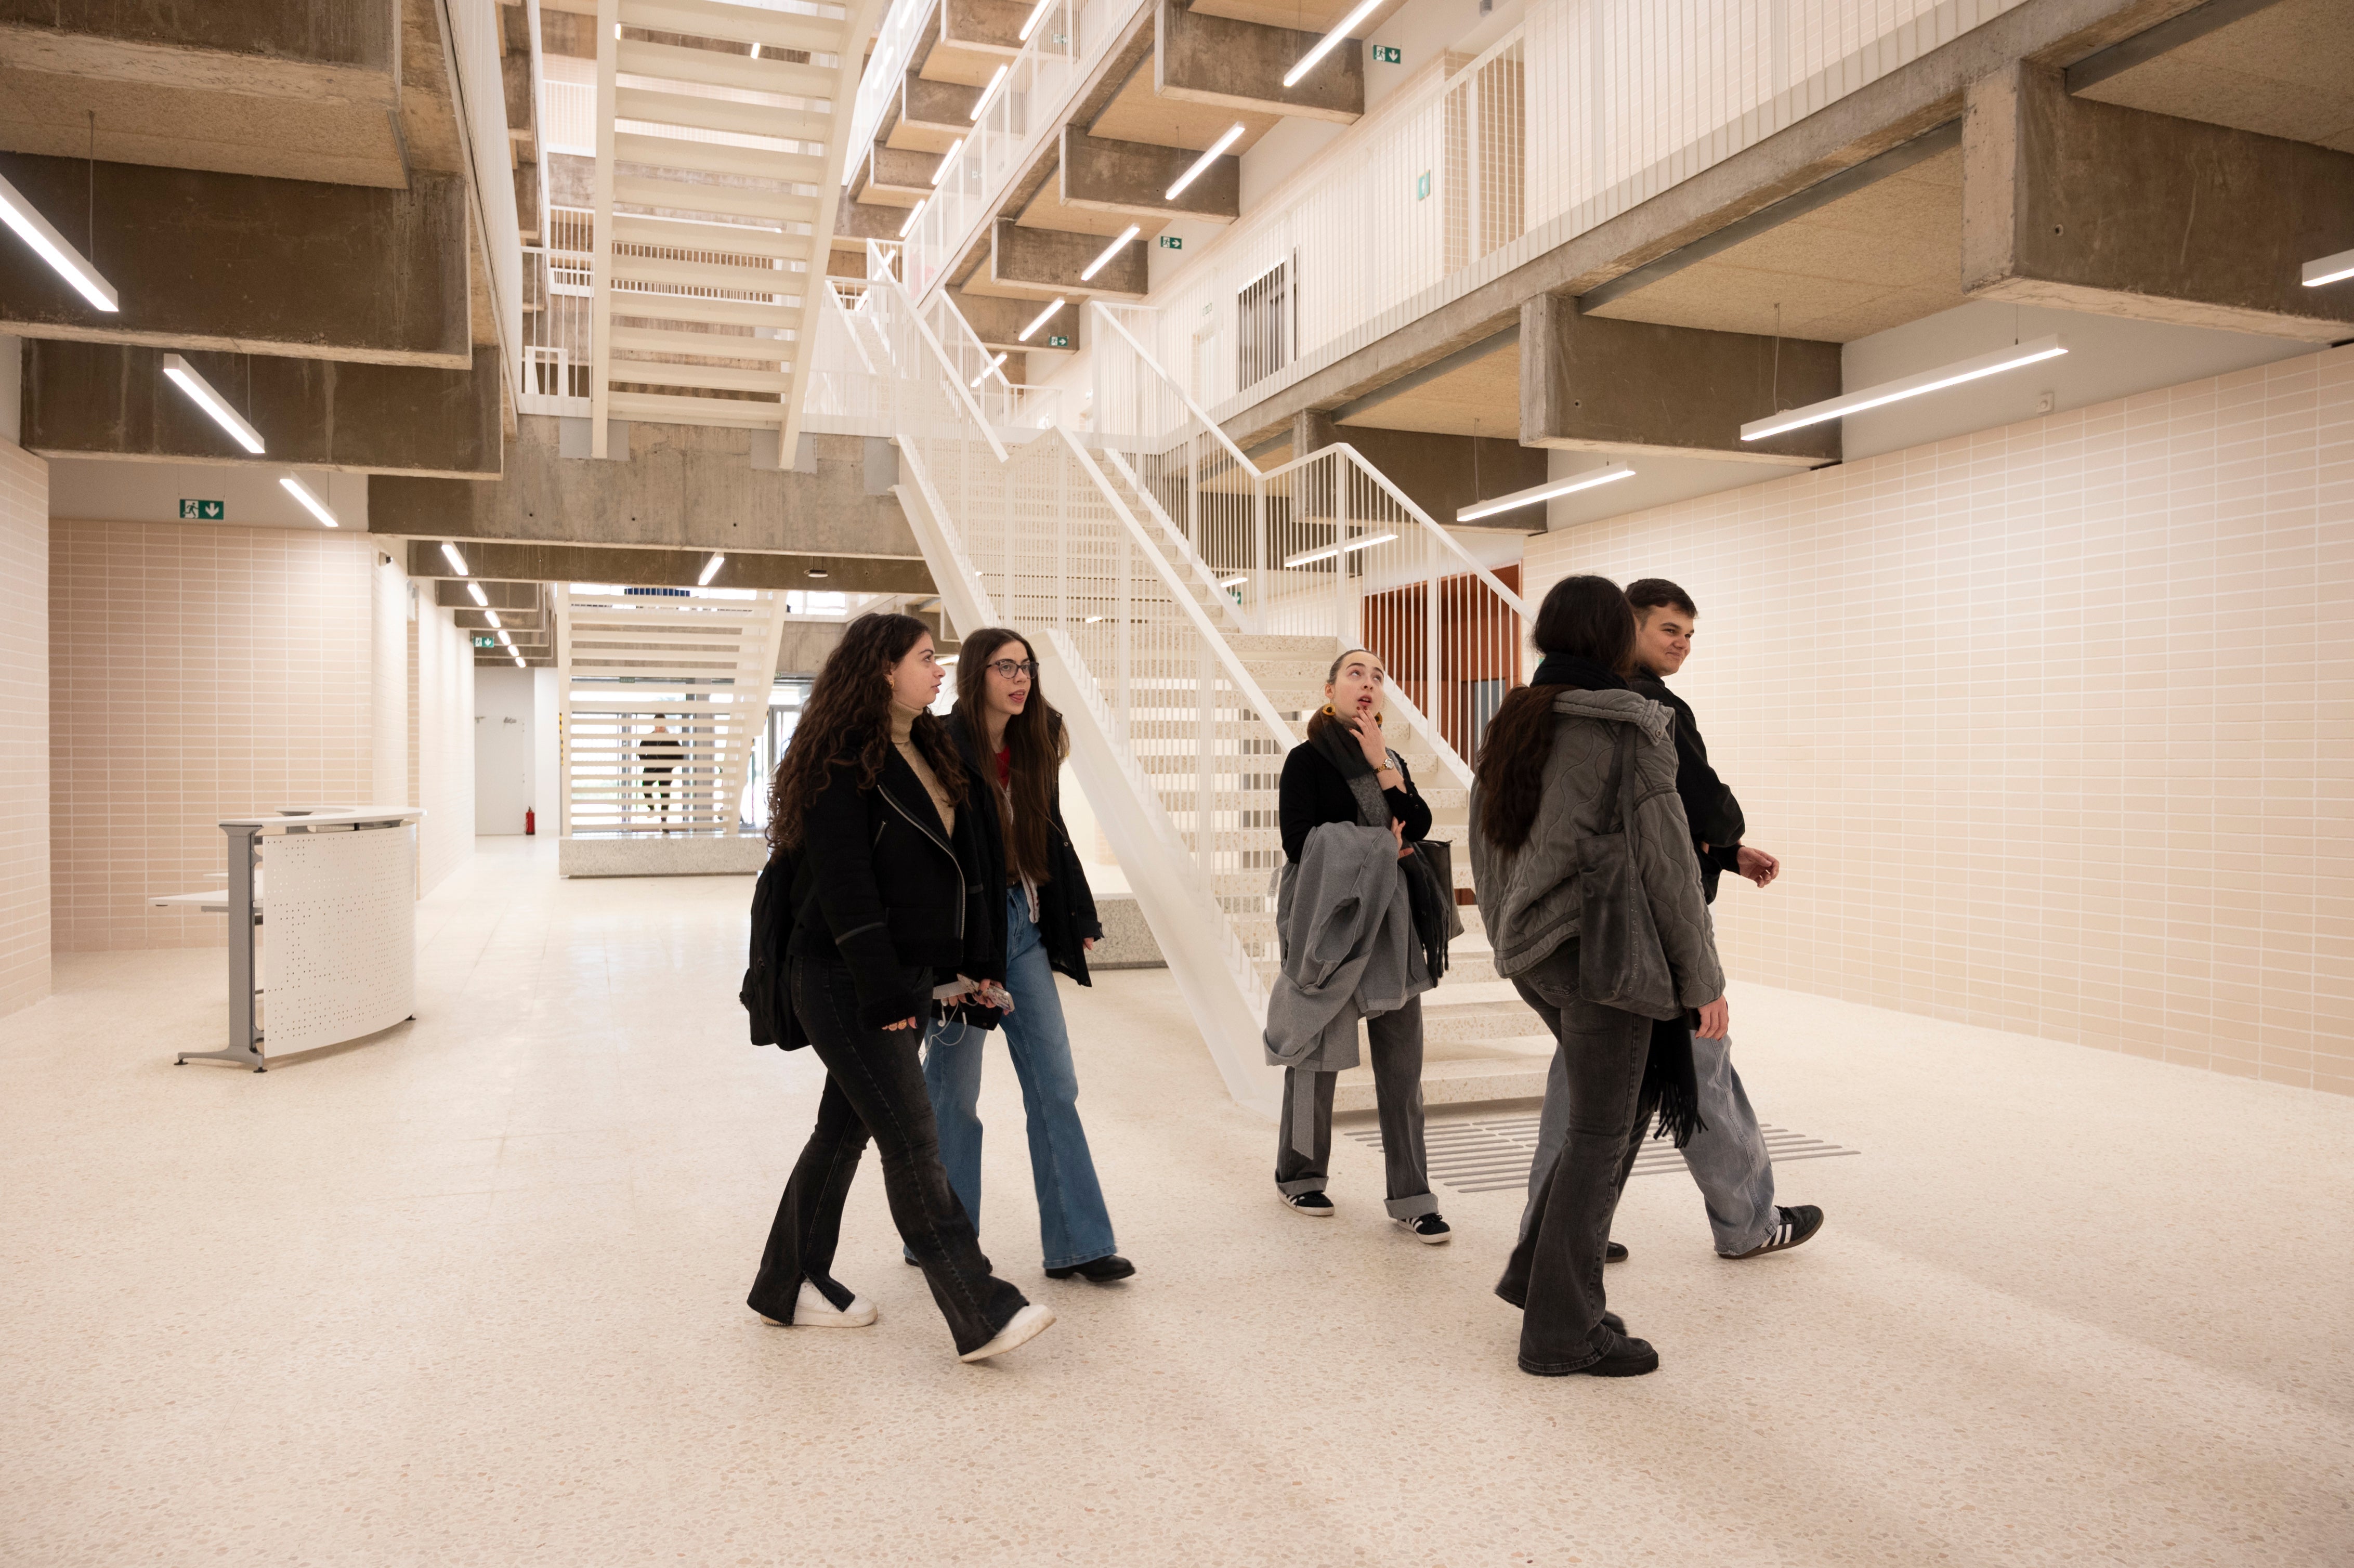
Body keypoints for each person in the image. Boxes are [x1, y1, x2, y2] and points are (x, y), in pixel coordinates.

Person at [744, 612, 1054, 1364]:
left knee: (844, 1130)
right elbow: (849, 892)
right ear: (885, 669)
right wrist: (887, 994)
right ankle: (979, 1307)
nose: (939, 670)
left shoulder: (923, 748)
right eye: (926, 659)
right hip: (845, 979)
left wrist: (963, 971)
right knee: (914, 1140)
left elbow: (947, 875)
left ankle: (787, 1282)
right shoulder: (840, 760)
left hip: (901, 979)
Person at [1469, 576, 1728, 1378]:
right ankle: (1562, 1332)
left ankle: (1536, 1277)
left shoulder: (1516, 719)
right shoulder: (1631, 726)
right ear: (1616, 639)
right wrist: (1703, 979)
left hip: (1538, 953)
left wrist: (1512, 938)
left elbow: (1489, 844)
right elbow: (1669, 867)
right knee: (1598, 1136)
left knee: (1609, 1110)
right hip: (1604, 960)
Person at [1612, 577, 1821, 1260]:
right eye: (1670, 630)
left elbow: (1651, 820)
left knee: (1588, 1078)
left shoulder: (1581, 705)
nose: (1683, 645)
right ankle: (1749, 1224)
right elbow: (1706, 807)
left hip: (1608, 918)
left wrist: (1725, 855)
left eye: (1690, 635)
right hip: (1665, 924)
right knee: (1706, 1068)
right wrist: (1725, 833)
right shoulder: (1657, 708)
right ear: (1630, 626)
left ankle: (1556, 1231)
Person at [916, 629, 1134, 1284]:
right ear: (975, 674)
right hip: (962, 938)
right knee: (953, 1095)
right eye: (1005, 666)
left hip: (1025, 925)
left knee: (1055, 1086)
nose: (1020, 678)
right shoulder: (941, 744)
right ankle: (944, 1238)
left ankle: (1079, 1241)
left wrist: (1080, 914)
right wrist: (946, 960)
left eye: (1027, 667)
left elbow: (1053, 833)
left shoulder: (1034, 743)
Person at [1265, 647, 1450, 1244]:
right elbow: (1299, 842)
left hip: (1391, 926)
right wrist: (1378, 848)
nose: (1368, 683)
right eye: (1356, 673)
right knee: (1314, 1054)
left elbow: (1415, 825)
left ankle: (1412, 1195)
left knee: (1402, 1065)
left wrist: (1384, 771)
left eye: (1377, 676)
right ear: (1330, 688)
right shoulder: (1306, 759)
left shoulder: (1389, 757)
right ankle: (1300, 1174)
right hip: (1328, 922)